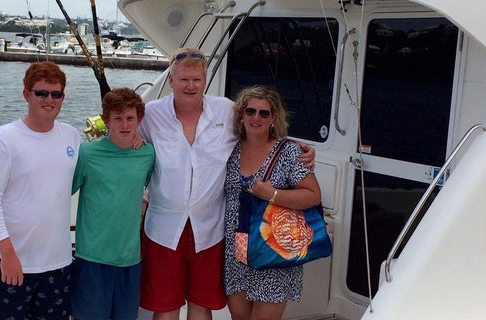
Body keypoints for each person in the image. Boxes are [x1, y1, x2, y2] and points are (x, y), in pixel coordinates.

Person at [137, 47, 316, 320]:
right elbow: (120, 136)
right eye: (183, 79)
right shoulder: (149, 114)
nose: (190, 85)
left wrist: (303, 149)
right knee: (165, 307)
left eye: (196, 79)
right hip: (163, 228)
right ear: (171, 81)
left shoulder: (226, 111)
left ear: (205, 80)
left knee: (201, 304)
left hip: (210, 229)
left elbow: (260, 129)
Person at [0, 61, 81, 320]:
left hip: (58, 264)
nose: (49, 100)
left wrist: (135, 137)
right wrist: (8, 255)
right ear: (26, 95)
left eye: (56, 94)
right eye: (41, 93)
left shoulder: (72, 136)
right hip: (10, 262)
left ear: (63, 97)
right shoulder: (2, 140)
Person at [223, 85, 322, 320]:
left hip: (273, 249)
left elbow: (313, 194)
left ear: (273, 117)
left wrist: (273, 194)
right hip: (235, 251)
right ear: (241, 114)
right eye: (250, 111)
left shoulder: (288, 152)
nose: (256, 117)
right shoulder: (230, 148)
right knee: (239, 316)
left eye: (263, 113)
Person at [70, 87, 155, 320]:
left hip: (130, 259)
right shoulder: (87, 154)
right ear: (106, 120)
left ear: (139, 120)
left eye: (130, 118)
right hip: (92, 258)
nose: (125, 125)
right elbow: (61, 193)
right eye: (117, 118)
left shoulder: (148, 154)